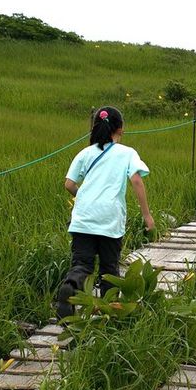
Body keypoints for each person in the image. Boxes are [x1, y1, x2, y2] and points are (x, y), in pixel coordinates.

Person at [55, 106, 155, 319]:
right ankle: (107, 312)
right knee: (109, 267)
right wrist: (147, 215)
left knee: (82, 264)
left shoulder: (85, 153)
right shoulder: (127, 153)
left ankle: (70, 287)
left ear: (95, 127)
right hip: (109, 218)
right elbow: (136, 180)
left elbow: (69, 184)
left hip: (83, 218)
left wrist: (83, 197)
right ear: (120, 129)